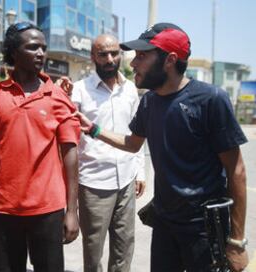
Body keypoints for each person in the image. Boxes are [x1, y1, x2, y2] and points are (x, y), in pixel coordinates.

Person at [75, 23, 248, 272]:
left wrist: (236, 242)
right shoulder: (150, 102)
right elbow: (132, 144)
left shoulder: (211, 100)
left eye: (142, 56)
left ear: (170, 60)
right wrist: (94, 130)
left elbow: (237, 171)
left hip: (204, 230)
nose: (133, 63)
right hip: (165, 223)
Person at [0, 22, 80, 271]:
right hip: (2, 208)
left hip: (48, 209)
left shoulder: (59, 98)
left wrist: (72, 211)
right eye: (32, 47)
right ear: (13, 52)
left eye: (43, 47)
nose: (41, 53)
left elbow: (70, 155)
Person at [71, 34, 145, 272]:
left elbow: (138, 134)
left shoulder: (131, 90)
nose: (110, 59)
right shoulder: (79, 91)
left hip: (126, 179)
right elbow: (69, 138)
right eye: (103, 54)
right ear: (93, 57)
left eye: (114, 53)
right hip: (93, 183)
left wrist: (140, 171)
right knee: (93, 250)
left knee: (125, 246)